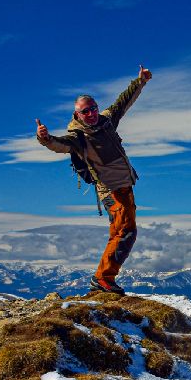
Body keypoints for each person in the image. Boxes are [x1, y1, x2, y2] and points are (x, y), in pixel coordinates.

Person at [36, 65, 153, 294]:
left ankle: (103, 279)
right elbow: (59, 145)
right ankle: (103, 278)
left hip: (125, 186)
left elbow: (124, 101)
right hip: (110, 189)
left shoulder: (107, 120)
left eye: (93, 109)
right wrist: (45, 138)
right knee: (126, 232)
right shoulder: (78, 137)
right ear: (77, 115)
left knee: (121, 233)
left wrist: (140, 81)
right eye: (85, 111)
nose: (90, 114)